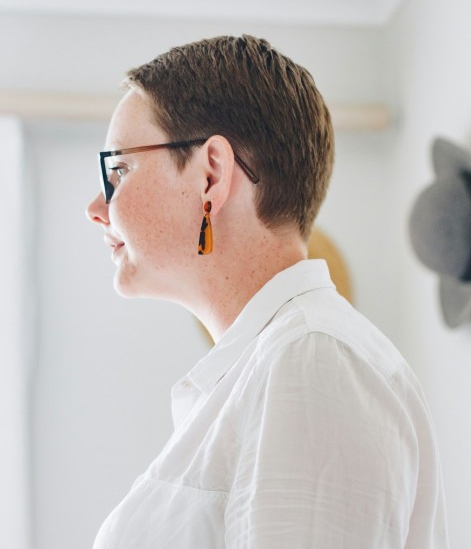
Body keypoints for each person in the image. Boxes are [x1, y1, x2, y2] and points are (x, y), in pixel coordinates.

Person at [86, 35, 449, 548]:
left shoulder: (313, 358)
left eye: (118, 169)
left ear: (211, 173)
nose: (96, 207)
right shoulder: (275, 366)